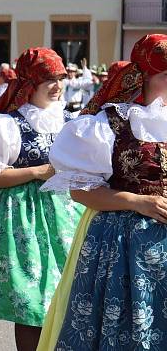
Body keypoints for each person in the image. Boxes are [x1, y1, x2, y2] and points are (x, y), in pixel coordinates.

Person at [0, 48, 84, 351]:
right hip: (23, 216)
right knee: (31, 301)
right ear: (30, 82)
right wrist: (37, 171)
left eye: (60, 77)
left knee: (69, 296)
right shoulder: (5, 124)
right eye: (49, 78)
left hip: (69, 214)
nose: (57, 85)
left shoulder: (73, 121)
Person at [36, 35, 167, 350]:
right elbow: (82, 193)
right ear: (145, 78)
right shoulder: (106, 125)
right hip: (123, 244)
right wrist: (137, 201)